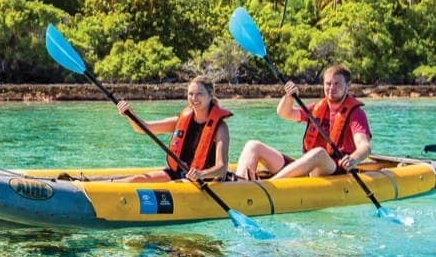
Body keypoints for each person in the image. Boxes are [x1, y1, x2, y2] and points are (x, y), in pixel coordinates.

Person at [234, 64, 371, 180]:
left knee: (319, 153)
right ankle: (239, 186)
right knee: (253, 146)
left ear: (348, 85)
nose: (331, 88)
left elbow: (364, 146)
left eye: (337, 84)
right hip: (308, 168)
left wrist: (354, 159)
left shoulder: (356, 113)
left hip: (333, 167)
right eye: (328, 83)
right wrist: (289, 96)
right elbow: (285, 113)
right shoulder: (317, 107)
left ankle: (271, 184)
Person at [114, 76, 232, 183]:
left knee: (170, 185)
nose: (194, 98)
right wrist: (130, 114)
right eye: (190, 94)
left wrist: (201, 174)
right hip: (178, 173)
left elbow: (221, 167)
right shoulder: (180, 121)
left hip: (204, 180)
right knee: (136, 180)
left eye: (199, 94)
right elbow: (144, 128)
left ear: (210, 96)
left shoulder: (220, 128)